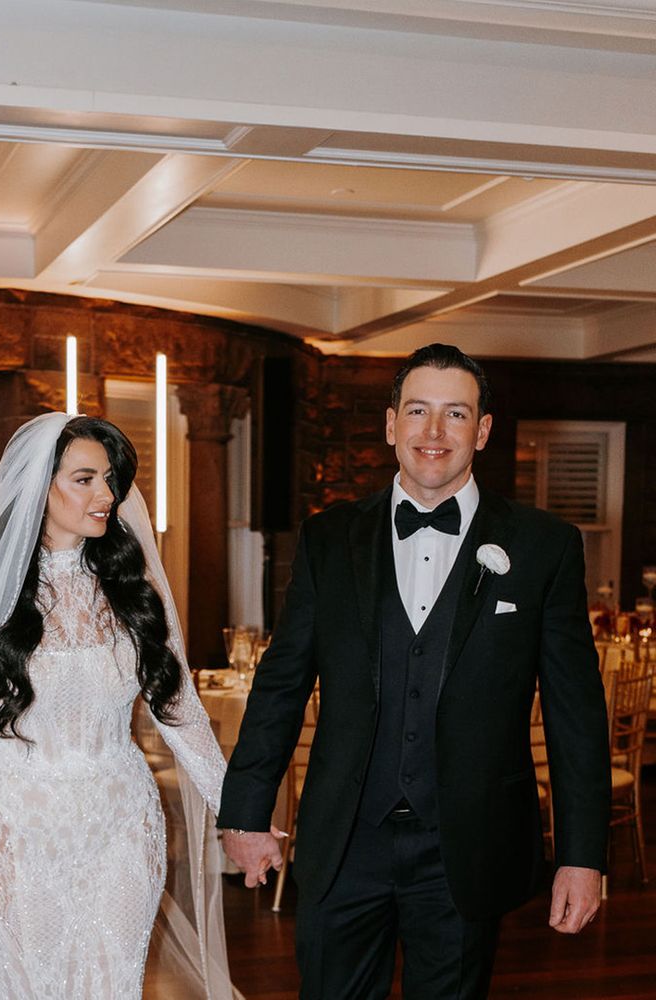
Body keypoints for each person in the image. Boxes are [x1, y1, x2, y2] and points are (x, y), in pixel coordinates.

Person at [218, 344, 611, 999]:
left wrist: (582, 855)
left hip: (468, 847)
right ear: (391, 424)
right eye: (419, 411)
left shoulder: (544, 546)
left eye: (455, 414)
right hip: (346, 841)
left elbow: (576, 715)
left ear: (482, 430)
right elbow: (282, 683)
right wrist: (246, 813)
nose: (434, 432)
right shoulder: (328, 538)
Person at [0, 412, 238, 1000]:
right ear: (39, 488)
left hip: (122, 822)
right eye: (86, 479)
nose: (108, 495)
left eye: (111, 479)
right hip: (16, 827)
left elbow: (180, 710)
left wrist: (237, 808)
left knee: (115, 987)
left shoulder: (132, 588)